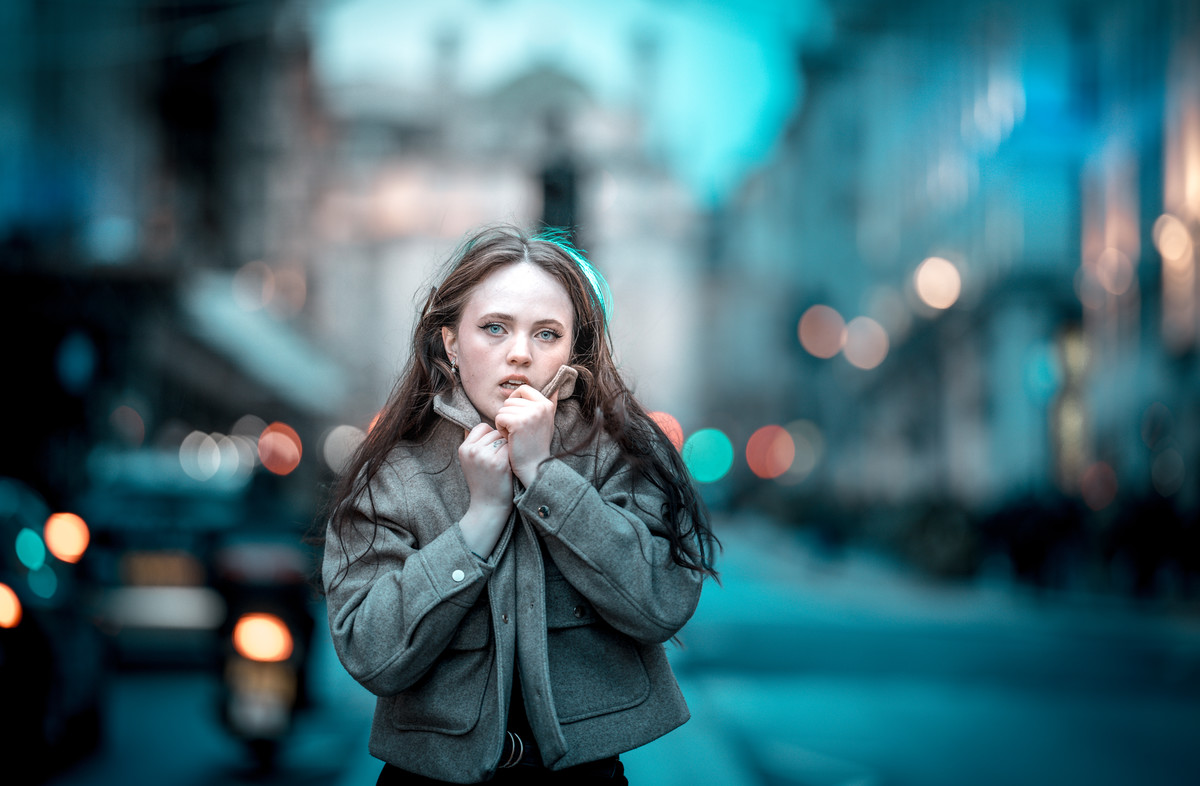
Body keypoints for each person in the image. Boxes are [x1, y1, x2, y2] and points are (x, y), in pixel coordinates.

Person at [320, 224, 719, 785]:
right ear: (450, 343)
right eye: (494, 328)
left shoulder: (620, 454)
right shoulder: (396, 472)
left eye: (547, 334)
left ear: (573, 348)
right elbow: (370, 654)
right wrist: (478, 522)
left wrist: (544, 477)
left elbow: (660, 604)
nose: (520, 354)